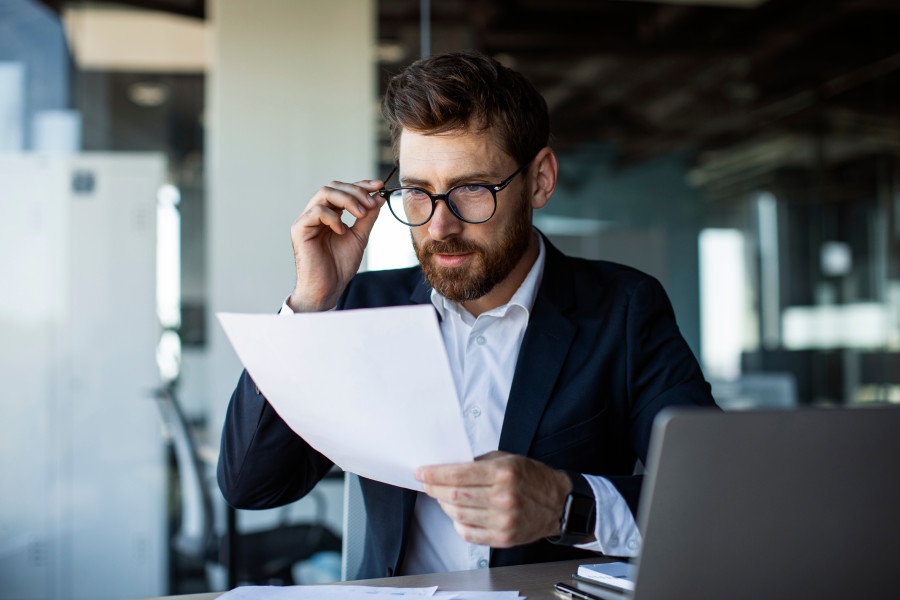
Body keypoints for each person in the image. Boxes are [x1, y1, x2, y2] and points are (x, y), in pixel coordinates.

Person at [217, 50, 716, 579]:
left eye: (472, 190)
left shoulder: (622, 309)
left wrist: (565, 505)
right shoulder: (364, 307)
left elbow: (714, 494)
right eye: (416, 193)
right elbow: (253, 484)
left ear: (540, 180)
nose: (439, 227)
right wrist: (312, 303)